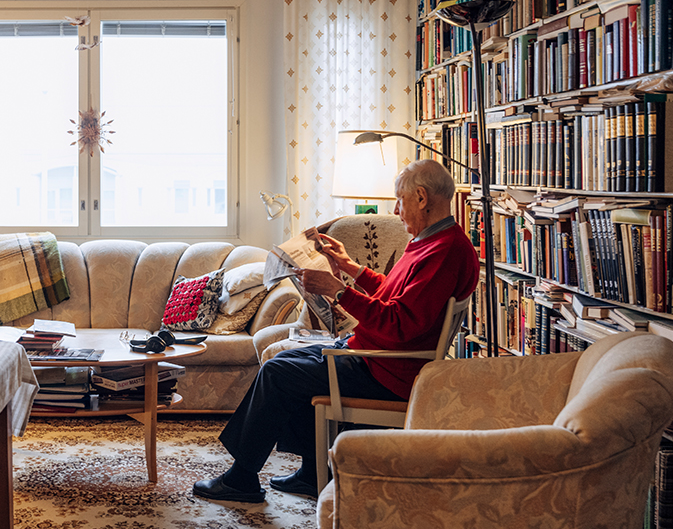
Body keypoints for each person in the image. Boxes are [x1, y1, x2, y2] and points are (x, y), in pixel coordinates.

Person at [193, 158, 479, 503]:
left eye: (400, 201)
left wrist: (337, 290)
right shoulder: (435, 241)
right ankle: (313, 473)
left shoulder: (443, 252)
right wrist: (351, 268)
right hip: (378, 357)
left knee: (278, 371)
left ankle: (242, 478)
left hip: (386, 370)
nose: (398, 210)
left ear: (421, 197)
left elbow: (399, 323)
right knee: (294, 361)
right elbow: (396, 293)